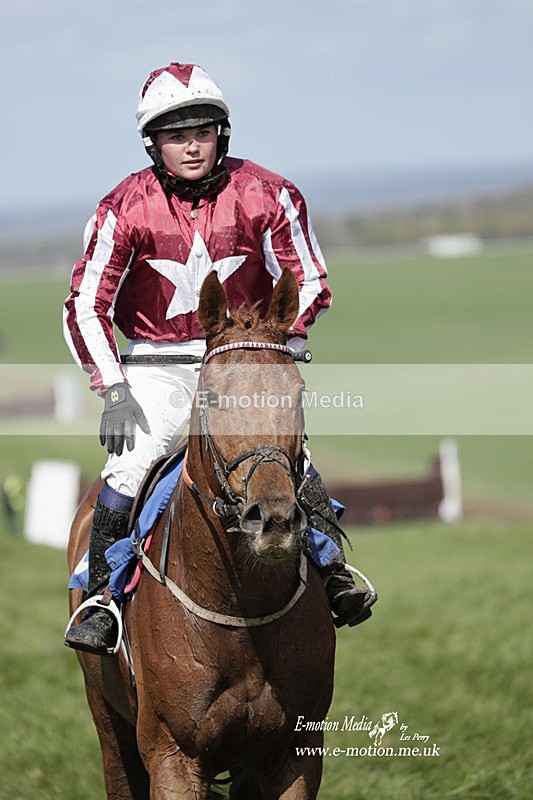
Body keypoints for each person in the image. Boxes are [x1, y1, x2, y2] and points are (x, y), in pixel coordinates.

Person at [64, 61, 376, 655]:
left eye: (202, 131)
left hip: (244, 354)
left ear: (221, 134)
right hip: (158, 364)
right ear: (153, 143)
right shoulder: (122, 207)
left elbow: (309, 278)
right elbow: (84, 305)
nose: (191, 145)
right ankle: (103, 597)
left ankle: (333, 570)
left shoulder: (269, 193)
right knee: (131, 467)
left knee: (289, 457)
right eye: (176, 135)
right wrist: (112, 387)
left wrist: (270, 340)